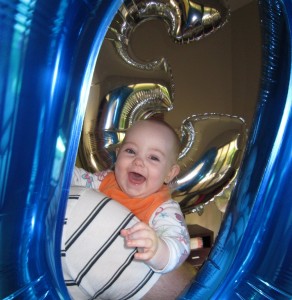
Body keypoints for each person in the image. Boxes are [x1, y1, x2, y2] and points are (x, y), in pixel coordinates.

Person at [72, 119, 190, 273]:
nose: (138, 161)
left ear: (169, 173)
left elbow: (180, 244)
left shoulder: (163, 208)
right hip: (80, 259)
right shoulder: (105, 181)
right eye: (130, 151)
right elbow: (76, 178)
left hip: (117, 276)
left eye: (153, 157)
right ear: (118, 154)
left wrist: (158, 250)